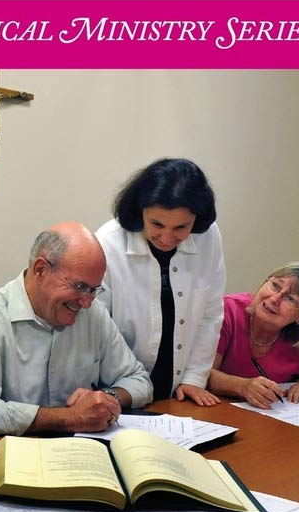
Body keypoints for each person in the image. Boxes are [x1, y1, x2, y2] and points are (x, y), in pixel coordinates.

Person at [0, 221, 153, 437]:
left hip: (80, 452)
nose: (86, 302)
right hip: (11, 457)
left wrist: (106, 399)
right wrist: (69, 418)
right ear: (40, 270)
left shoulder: (93, 314)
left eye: (94, 289)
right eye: (79, 287)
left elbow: (139, 379)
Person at [95, 158, 226, 405]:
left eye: (181, 227)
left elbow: (210, 313)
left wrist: (194, 378)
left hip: (178, 392)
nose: (167, 238)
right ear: (139, 210)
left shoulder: (208, 238)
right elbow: (96, 328)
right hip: (117, 387)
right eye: (156, 224)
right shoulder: (107, 243)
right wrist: (124, 392)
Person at [208, 262, 299, 409]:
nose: (274, 299)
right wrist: (242, 386)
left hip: (271, 421)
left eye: (291, 299)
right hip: (215, 413)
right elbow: (201, 374)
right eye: (275, 285)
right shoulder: (227, 311)